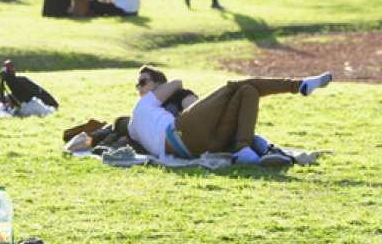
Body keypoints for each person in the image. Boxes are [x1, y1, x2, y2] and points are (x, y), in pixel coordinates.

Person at [128, 70, 333, 164]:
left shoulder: (143, 114)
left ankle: (243, 149)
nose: (138, 87)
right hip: (182, 135)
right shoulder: (141, 107)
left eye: (143, 82)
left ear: (157, 84)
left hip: (201, 147)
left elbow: (178, 86)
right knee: (231, 86)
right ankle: (298, 85)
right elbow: (177, 81)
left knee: (247, 91)